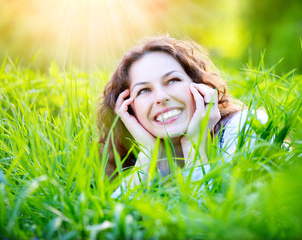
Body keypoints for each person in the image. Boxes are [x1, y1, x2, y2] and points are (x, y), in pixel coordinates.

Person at [98, 36, 267, 194]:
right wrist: (148, 155)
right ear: (129, 109)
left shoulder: (246, 127)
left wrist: (194, 145)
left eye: (172, 81)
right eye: (144, 90)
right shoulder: (139, 163)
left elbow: (211, 217)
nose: (161, 97)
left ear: (200, 87)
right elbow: (112, 218)